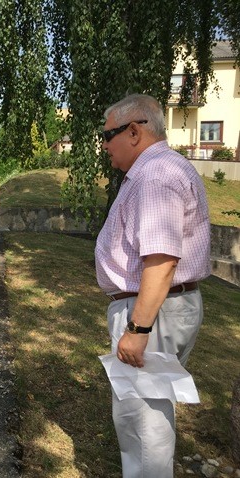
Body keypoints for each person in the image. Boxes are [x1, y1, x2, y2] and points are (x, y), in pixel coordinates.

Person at [95, 94, 210, 477]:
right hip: (160, 307)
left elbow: (161, 261)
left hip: (151, 312)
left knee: (144, 424)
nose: (104, 145)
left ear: (134, 131)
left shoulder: (155, 175)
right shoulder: (160, 169)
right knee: (149, 413)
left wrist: (138, 328)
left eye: (107, 135)